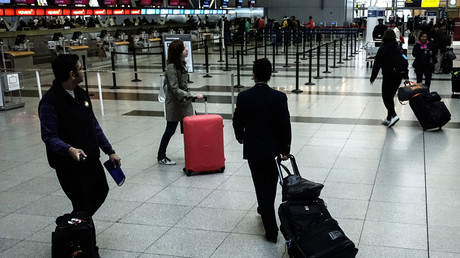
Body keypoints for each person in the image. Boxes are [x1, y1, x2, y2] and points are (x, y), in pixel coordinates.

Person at [38, 54, 121, 256]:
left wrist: (109, 150)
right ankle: (84, 243)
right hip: (69, 165)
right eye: (80, 68)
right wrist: (69, 149)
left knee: (101, 190)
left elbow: (93, 125)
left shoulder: (81, 94)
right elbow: (49, 137)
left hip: (91, 159)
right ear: (71, 74)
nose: (83, 71)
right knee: (81, 202)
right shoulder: (50, 102)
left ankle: (70, 226)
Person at [232, 58, 292, 243]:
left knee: (260, 184)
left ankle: (271, 229)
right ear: (270, 75)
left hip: (254, 149)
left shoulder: (244, 97)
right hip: (273, 150)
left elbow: (237, 121)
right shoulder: (279, 98)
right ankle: (265, 207)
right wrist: (285, 148)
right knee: (271, 183)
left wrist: (240, 136)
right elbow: (285, 125)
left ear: (253, 74)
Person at [157, 40, 203, 165]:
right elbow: (174, 88)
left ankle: (192, 152)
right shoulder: (171, 67)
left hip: (184, 103)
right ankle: (161, 155)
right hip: (175, 104)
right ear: (178, 52)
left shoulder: (181, 64)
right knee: (170, 130)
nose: (186, 50)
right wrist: (191, 96)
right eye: (183, 49)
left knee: (188, 129)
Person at [370, 29, 408, 128]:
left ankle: (394, 115)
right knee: (390, 97)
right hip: (398, 76)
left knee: (386, 97)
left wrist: (372, 78)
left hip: (388, 76)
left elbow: (377, 64)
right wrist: (405, 76)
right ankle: (388, 118)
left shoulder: (382, 48)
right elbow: (404, 60)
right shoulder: (398, 47)